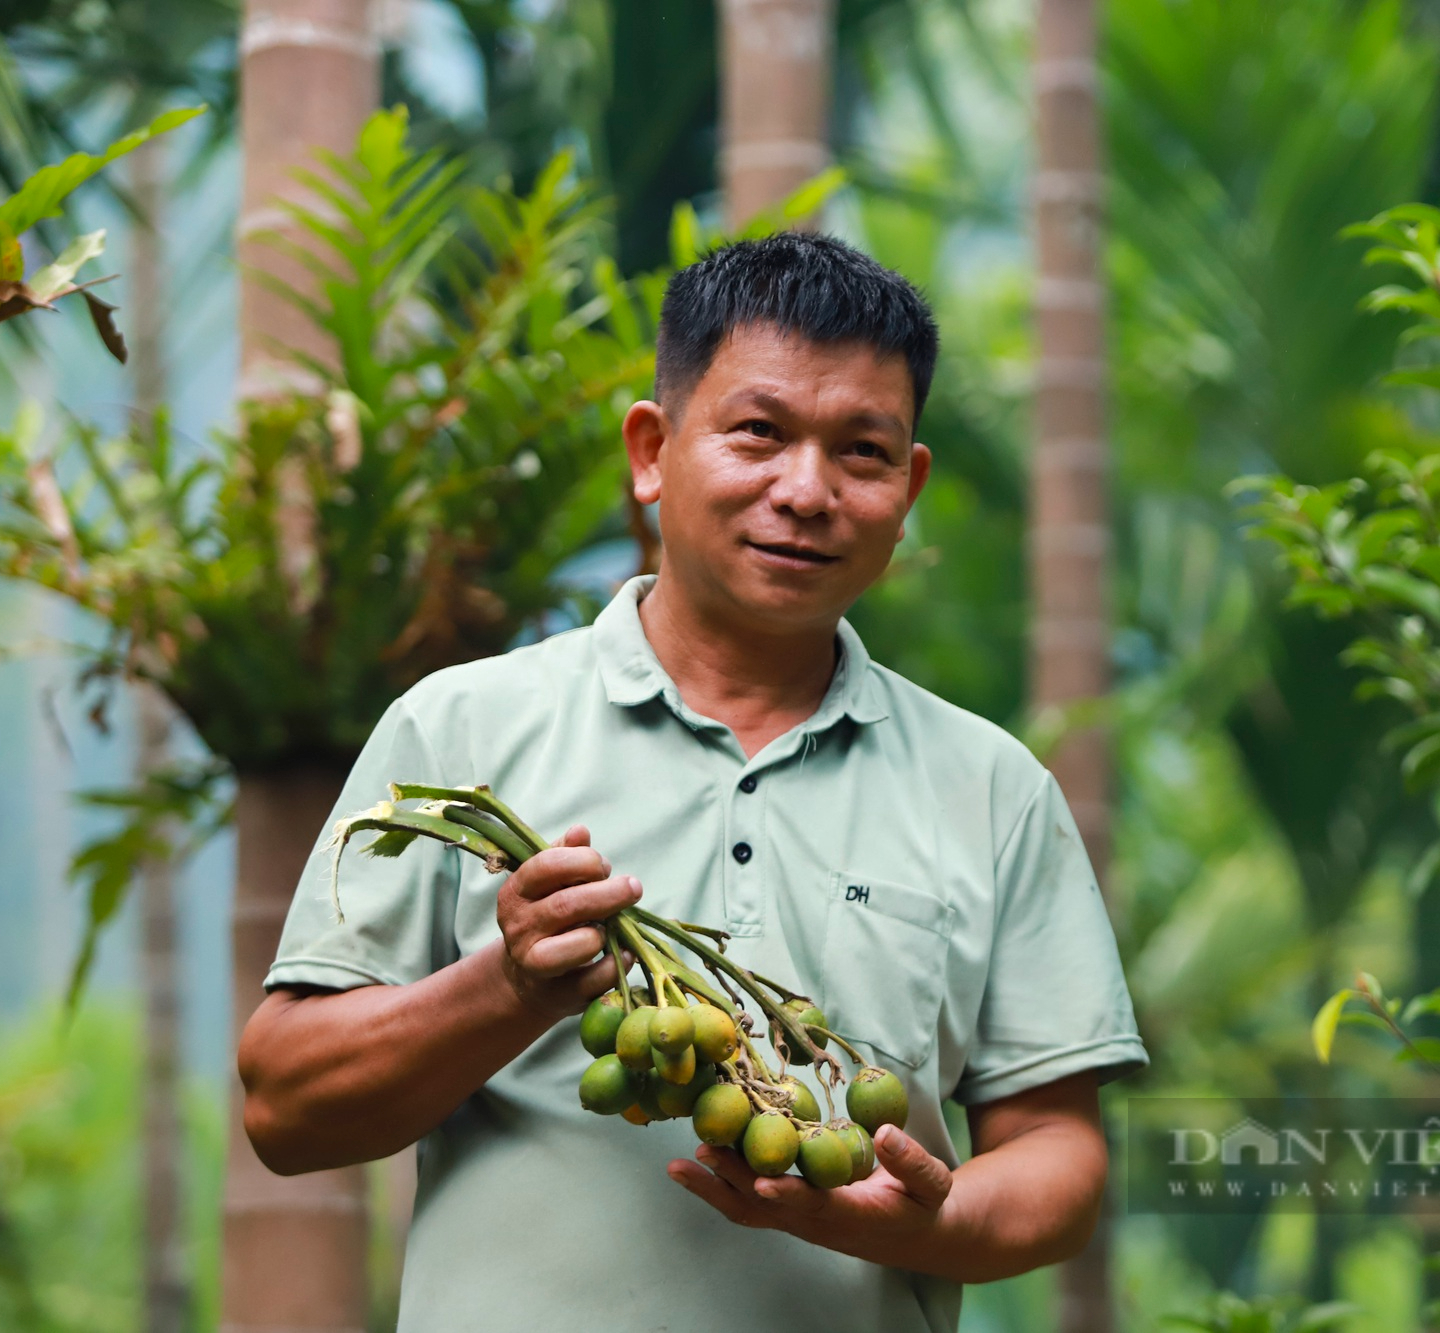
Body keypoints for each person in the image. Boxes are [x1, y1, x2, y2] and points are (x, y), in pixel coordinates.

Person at [237, 232, 1147, 1332]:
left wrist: (919, 1225)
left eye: (860, 452)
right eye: (758, 433)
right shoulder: (460, 730)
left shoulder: (992, 788)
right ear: (651, 450)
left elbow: (1057, 1151)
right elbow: (286, 1107)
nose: (804, 491)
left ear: (905, 488)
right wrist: (509, 986)